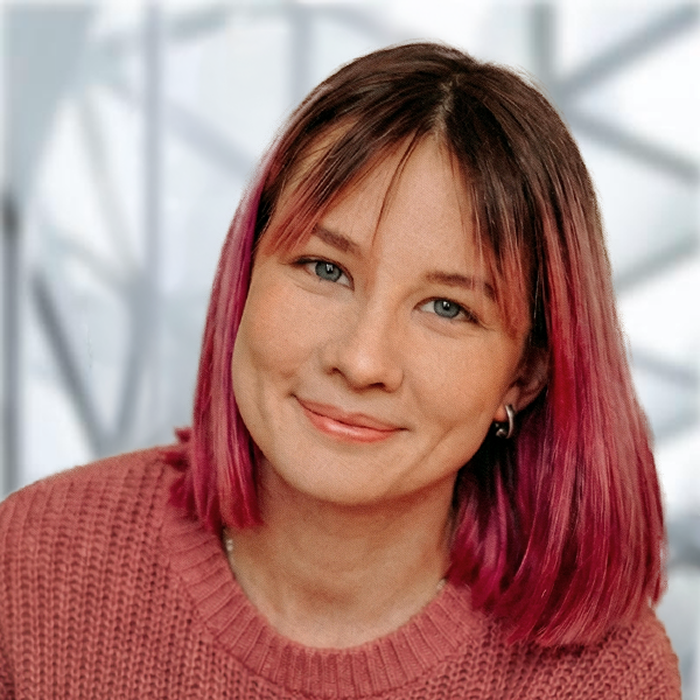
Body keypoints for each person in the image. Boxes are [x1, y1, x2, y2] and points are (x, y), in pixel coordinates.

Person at [0, 42, 681, 698]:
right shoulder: (32, 563)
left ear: (522, 379)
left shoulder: (605, 679)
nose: (360, 361)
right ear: (246, 274)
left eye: (447, 308)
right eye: (325, 269)